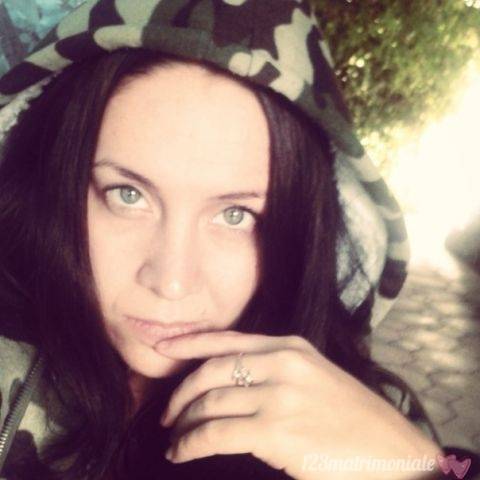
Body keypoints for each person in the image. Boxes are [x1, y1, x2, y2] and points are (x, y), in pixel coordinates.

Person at [0, 1, 451, 479]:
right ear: (59, 184)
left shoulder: (371, 413)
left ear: (295, 231)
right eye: (127, 195)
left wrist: (419, 469)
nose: (172, 282)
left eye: (235, 215)